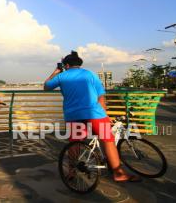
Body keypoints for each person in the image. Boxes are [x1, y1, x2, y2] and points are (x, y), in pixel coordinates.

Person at [44, 51, 140, 183]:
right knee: (107, 140)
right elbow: (101, 96)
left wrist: (56, 71)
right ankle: (118, 173)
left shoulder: (62, 76)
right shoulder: (90, 74)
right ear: (79, 64)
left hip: (73, 115)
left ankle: (72, 172)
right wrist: (104, 115)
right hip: (94, 113)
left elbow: (46, 86)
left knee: (75, 144)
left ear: (66, 65)